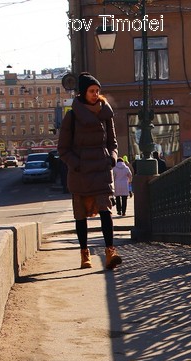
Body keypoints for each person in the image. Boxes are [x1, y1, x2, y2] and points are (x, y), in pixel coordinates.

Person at [57, 72, 122, 270]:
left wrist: (111, 157)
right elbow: (63, 149)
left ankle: (111, 252)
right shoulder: (72, 116)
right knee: (80, 216)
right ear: (83, 92)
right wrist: (76, 164)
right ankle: (85, 254)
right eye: (91, 91)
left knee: (106, 212)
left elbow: (113, 142)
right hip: (81, 173)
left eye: (97, 91)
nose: (95, 94)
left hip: (101, 170)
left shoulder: (105, 114)